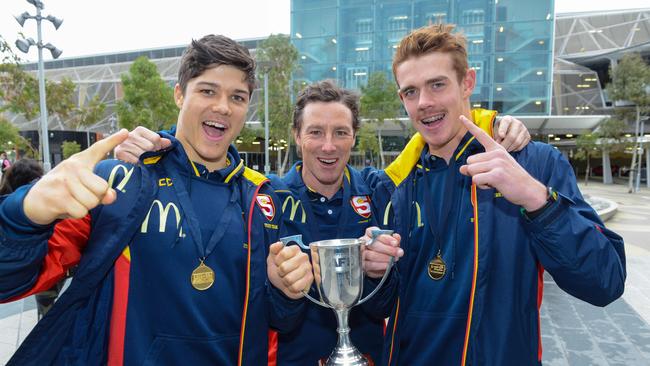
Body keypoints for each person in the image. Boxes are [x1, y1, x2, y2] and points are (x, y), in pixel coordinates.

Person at [114, 81, 531, 365]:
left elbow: (430, 138)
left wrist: (492, 122)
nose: (328, 146)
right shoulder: (266, 199)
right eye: (315, 132)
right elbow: (268, 315)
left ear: (355, 138)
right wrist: (158, 146)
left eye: (341, 133)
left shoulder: (378, 193)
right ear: (297, 136)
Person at [0, 34, 313, 366]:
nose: (222, 106)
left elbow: (278, 322)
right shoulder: (121, 181)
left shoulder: (260, 199)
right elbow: (9, 281)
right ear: (179, 94)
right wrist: (25, 217)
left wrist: (288, 293)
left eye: (237, 97)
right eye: (207, 91)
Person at [360, 24, 626, 366]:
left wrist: (536, 199)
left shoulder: (533, 163)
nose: (424, 102)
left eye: (437, 84)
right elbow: (383, 305)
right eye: (411, 92)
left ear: (468, 82)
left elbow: (604, 282)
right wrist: (374, 270)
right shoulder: (396, 183)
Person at [0, 158, 62, 319]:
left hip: (43, 274)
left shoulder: (9, 208)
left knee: (46, 306)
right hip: (60, 267)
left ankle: (45, 318)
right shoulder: (54, 201)